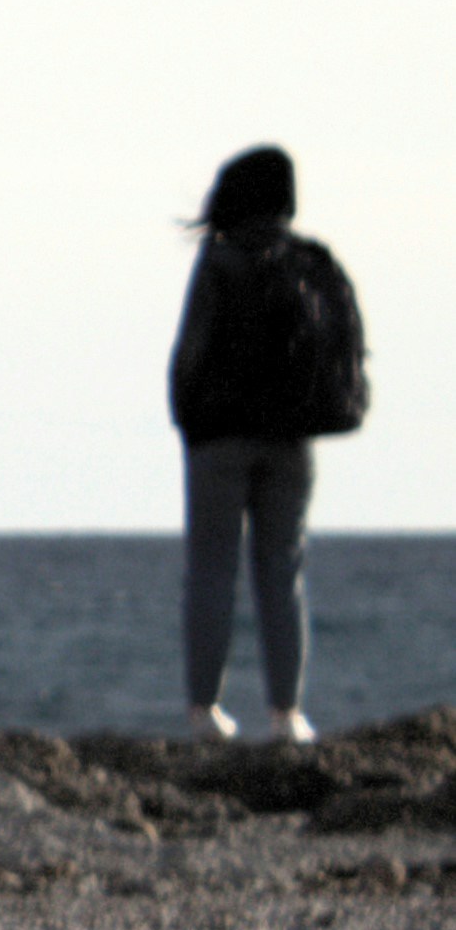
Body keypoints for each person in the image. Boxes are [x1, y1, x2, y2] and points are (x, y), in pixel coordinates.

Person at [166, 144, 370, 742]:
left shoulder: (221, 261)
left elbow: (191, 352)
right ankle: (287, 715)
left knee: (211, 571)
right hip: (293, 438)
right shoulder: (307, 260)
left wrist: (190, 421)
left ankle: (205, 713)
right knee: (283, 572)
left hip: (219, 440)